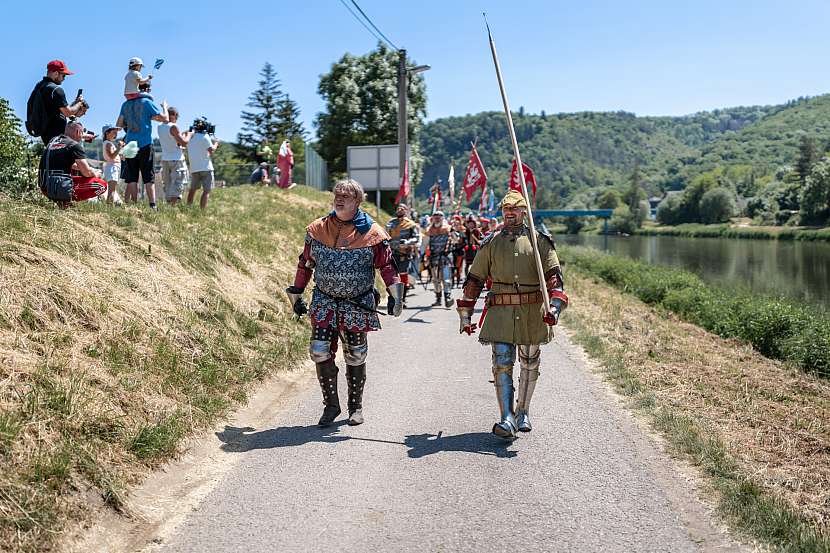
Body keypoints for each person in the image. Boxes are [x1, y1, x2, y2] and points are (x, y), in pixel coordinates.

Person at [285, 179, 403, 427]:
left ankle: (355, 407)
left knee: (356, 355)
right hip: (324, 301)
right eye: (337, 194)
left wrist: (396, 296)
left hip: (357, 303)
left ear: (358, 201)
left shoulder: (373, 233)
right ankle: (331, 406)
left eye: (346, 196)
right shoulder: (318, 230)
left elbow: (387, 267)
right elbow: (305, 263)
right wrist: (297, 293)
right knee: (319, 351)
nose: (340, 199)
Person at [456, 190, 569, 439]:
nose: (510, 212)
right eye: (506, 208)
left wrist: (555, 307)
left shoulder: (540, 240)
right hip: (501, 311)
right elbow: (474, 280)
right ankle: (506, 417)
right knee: (501, 363)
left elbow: (555, 279)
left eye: (515, 208)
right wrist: (466, 315)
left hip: (532, 311)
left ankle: (523, 411)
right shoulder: (491, 242)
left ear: (524, 211)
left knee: (530, 360)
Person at [117, 84, 168, 208]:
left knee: (132, 177)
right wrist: (165, 107)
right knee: (148, 176)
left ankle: (134, 205)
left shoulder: (125, 104)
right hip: (145, 143)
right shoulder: (146, 102)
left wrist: (131, 126)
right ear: (147, 90)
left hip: (130, 144)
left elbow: (119, 124)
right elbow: (165, 119)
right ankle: (152, 205)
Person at [39, 121, 106, 206]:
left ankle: (63, 201)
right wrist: (95, 173)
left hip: (45, 187)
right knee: (102, 185)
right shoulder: (74, 145)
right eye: (82, 133)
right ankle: (67, 201)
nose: (82, 137)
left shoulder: (53, 141)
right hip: (58, 187)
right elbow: (86, 173)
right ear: (78, 132)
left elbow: (69, 164)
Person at [27, 60, 88, 145]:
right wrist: (80, 103)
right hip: (57, 140)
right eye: (63, 75)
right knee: (78, 152)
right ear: (56, 73)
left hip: (47, 138)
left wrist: (75, 104)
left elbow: (58, 111)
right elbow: (68, 112)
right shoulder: (56, 90)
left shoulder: (40, 87)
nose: (64, 79)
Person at [386, 203, 420, 307]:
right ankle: (393, 298)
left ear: (406, 211)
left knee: (403, 275)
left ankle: (402, 299)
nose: (400, 209)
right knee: (391, 277)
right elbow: (385, 236)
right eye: (398, 208)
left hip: (403, 254)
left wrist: (407, 242)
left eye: (402, 208)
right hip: (391, 253)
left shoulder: (411, 224)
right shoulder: (390, 223)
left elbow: (416, 237)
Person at [157, 107, 191, 205]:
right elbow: (184, 143)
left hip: (165, 159)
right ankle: (172, 208)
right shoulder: (173, 127)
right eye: (177, 116)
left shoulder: (160, 126)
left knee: (167, 184)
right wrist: (189, 134)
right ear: (174, 115)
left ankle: (168, 206)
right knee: (177, 184)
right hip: (177, 159)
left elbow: (173, 141)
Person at [186, 118, 219, 209]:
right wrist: (216, 144)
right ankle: (202, 211)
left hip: (194, 168)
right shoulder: (205, 137)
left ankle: (188, 208)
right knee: (206, 191)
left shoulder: (189, 137)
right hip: (206, 168)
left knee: (192, 190)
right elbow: (211, 150)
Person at [426, 211, 454, 307]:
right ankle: (438, 299)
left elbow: (455, 239)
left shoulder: (448, 229)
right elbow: (425, 243)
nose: (437, 218)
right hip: (434, 257)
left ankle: (448, 297)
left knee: (446, 279)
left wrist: (454, 234)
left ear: (442, 218)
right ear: (433, 218)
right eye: (435, 217)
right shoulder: (429, 230)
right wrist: (423, 255)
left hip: (445, 257)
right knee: (436, 280)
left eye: (439, 217)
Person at [101, 124, 124, 205]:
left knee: (112, 189)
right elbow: (111, 156)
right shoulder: (108, 144)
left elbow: (113, 156)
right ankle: (109, 206)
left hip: (113, 167)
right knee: (112, 190)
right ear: (107, 133)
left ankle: (110, 205)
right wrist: (119, 147)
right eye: (113, 132)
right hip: (112, 168)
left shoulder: (108, 143)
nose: (116, 134)